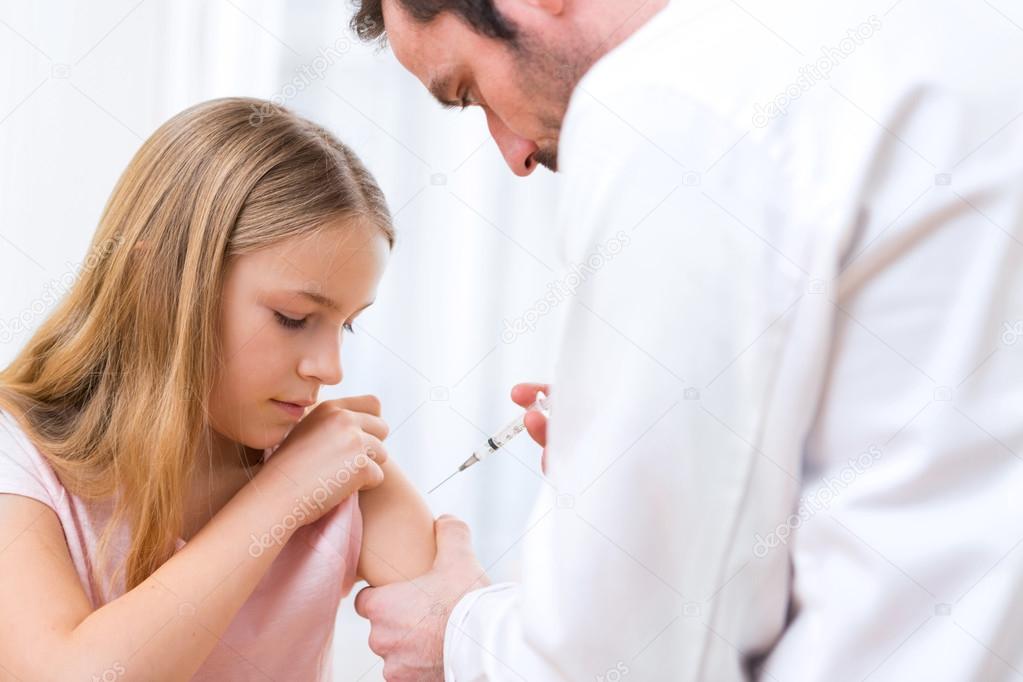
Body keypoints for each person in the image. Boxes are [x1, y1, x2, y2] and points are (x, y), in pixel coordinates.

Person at [349, 0, 1023, 679]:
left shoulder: (673, 101)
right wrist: (647, 453)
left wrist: (460, 633)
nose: (513, 153)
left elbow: (635, 652)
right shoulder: (965, 31)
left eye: (468, 91)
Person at [0, 97, 435, 680]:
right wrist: (283, 493)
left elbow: (474, 639)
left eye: (347, 324)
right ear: (156, 284)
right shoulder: (18, 459)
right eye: (293, 317)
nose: (330, 369)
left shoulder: (339, 470)